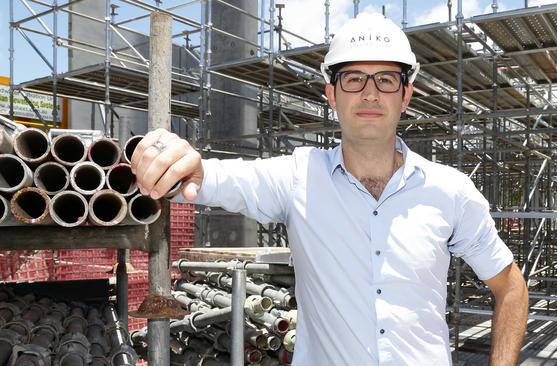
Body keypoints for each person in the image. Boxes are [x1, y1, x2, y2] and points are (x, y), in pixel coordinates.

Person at [131, 12, 528, 366]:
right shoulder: (297, 179)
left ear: (406, 96)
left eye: (386, 80)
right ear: (331, 94)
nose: (370, 94)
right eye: (354, 78)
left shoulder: (450, 191)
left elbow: (510, 287)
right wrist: (176, 158)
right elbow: (207, 175)